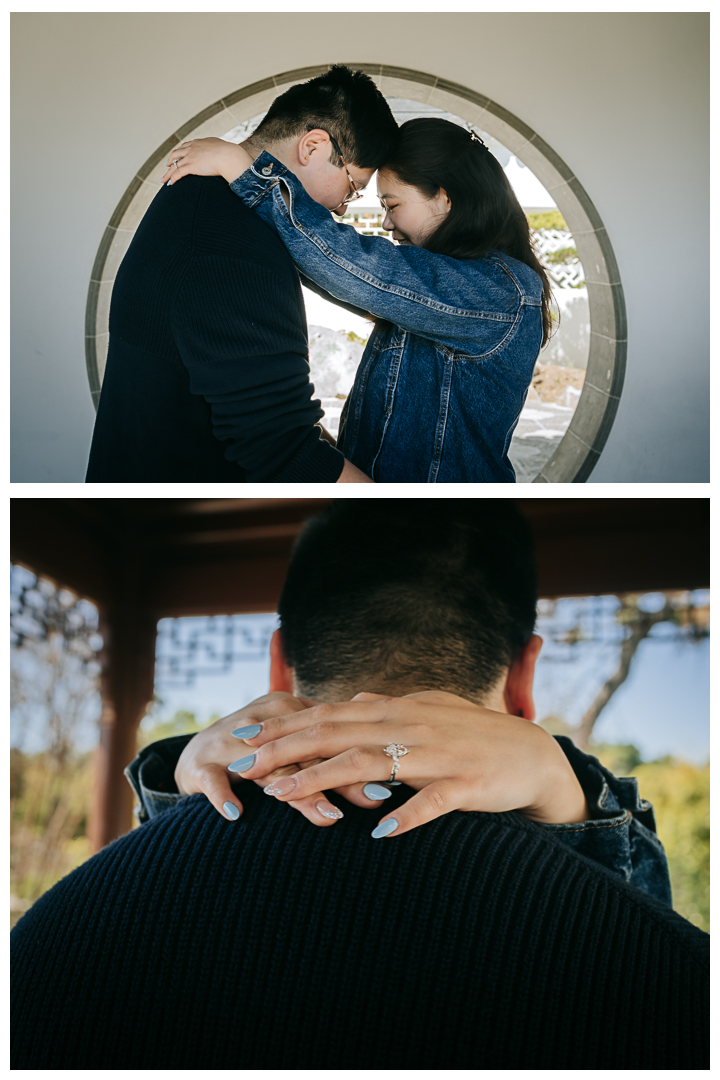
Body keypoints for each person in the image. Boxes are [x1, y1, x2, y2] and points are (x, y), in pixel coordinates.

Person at [11, 501, 708, 1069]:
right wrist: (577, 801)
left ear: (279, 664)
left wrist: (171, 799)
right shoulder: (676, 991)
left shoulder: (40, 941)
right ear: (524, 677)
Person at [162, 117, 555, 482]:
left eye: (392, 205)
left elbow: (355, 266)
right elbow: (333, 271)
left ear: (445, 198)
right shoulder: (442, 288)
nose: (386, 223)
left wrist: (246, 169)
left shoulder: (499, 291)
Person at [84, 66, 398, 483]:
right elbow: (285, 452)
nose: (343, 207)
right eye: (352, 187)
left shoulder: (200, 200)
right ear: (314, 146)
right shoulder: (230, 242)